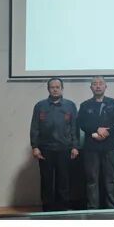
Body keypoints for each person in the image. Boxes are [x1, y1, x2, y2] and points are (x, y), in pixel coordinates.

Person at [30, 77, 79, 211]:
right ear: (48, 89)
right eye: (52, 87)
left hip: (65, 149)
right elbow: (35, 127)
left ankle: (62, 210)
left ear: (62, 89)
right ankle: (47, 210)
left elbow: (74, 127)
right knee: (46, 181)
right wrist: (35, 147)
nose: (55, 89)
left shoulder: (70, 105)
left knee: (63, 181)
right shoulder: (40, 106)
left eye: (58, 87)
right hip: (45, 149)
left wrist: (75, 146)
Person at [78, 76, 114, 209]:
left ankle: (112, 208)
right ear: (91, 87)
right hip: (91, 147)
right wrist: (96, 129)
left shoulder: (113, 103)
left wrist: (107, 131)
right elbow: (82, 123)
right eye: (95, 84)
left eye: (100, 83)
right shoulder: (85, 105)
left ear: (105, 86)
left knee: (110, 180)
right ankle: (92, 208)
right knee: (92, 180)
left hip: (109, 146)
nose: (98, 86)